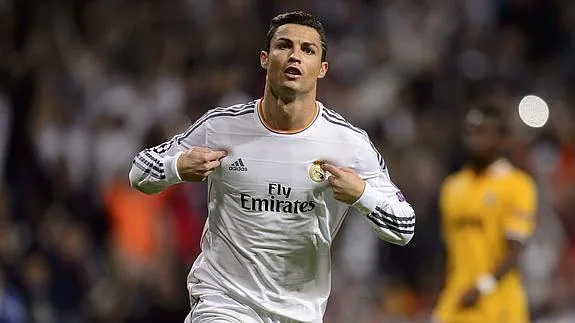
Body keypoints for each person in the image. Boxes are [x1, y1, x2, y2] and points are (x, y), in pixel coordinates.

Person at [129, 11, 415, 323]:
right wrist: (178, 167)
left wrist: (361, 194)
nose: (295, 55)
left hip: (298, 312)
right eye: (284, 46)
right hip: (224, 302)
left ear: (322, 69)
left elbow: (404, 226)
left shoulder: (349, 145)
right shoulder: (221, 128)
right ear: (265, 59)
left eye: (308, 50)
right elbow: (139, 172)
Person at [432, 104, 537, 323]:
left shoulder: (518, 186)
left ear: (502, 139)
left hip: (498, 305)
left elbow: (515, 251)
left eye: (481, 132)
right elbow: (450, 248)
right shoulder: (452, 187)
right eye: (469, 131)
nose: (473, 139)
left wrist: (482, 287)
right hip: (456, 300)